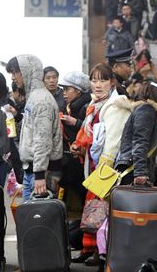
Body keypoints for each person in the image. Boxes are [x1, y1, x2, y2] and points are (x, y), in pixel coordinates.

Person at [71, 64, 130, 266]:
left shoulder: (116, 105)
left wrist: (104, 168)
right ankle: (89, 247)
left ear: (112, 82)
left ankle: (100, 249)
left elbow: (113, 141)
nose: (98, 85)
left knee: (102, 208)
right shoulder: (94, 103)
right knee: (93, 206)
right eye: (94, 80)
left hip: (106, 165)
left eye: (103, 80)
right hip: (93, 161)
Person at [6, 55, 63, 202]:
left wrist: (39, 175)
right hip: (34, 171)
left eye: (15, 72)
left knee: (38, 221)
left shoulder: (40, 100)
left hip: (41, 174)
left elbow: (42, 139)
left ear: (27, 71)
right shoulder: (35, 97)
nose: (13, 77)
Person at [116, 80, 157, 186]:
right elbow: (140, 141)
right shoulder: (146, 111)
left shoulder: (145, 110)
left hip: (133, 170)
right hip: (134, 173)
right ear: (156, 95)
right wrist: (140, 173)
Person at [58, 71, 92, 216]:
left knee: (79, 201)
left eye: (67, 89)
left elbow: (90, 132)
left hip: (81, 163)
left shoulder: (86, 106)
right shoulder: (71, 106)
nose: (64, 93)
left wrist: (76, 123)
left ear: (78, 90)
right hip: (74, 162)